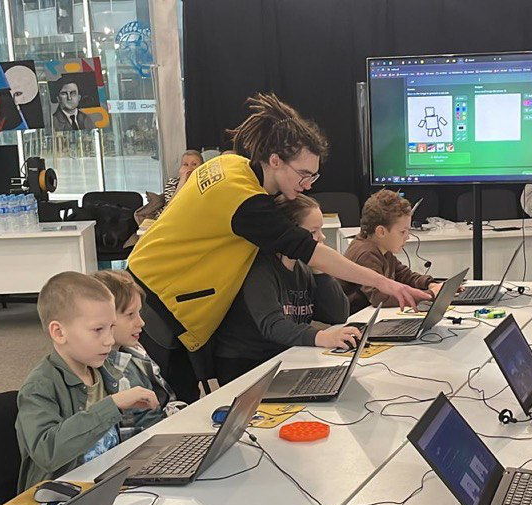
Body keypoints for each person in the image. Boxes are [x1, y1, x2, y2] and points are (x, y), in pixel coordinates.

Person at [125, 93, 430, 402]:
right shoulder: (245, 202)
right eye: (304, 174)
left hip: (152, 277)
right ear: (274, 161)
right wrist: (384, 283)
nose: (309, 184)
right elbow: (312, 252)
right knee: (170, 402)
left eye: (314, 175)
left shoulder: (230, 164)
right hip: (158, 298)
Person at [16, 272, 161, 490]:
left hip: (106, 482)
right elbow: (47, 452)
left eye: (111, 327)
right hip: (62, 496)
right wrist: (112, 405)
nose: (109, 340)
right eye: (98, 330)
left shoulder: (105, 370)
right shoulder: (39, 387)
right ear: (59, 332)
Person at [212, 195, 358, 384]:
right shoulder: (259, 269)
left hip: (284, 356)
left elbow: (338, 314)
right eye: (314, 231)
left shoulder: (302, 268)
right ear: (290, 234)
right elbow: (273, 326)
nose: (321, 237)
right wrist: (322, 337)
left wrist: (319, 269)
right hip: (248, 366)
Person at [91, 270, 186, 441]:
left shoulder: (134, 351)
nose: (141, 322)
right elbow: (123, 437)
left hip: (163, 430)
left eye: (139, 313)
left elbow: (163, 401)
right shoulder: (95, 373)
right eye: (130, 315)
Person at [340, 190, 442, 312]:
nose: (407, 237)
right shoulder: (366, 253)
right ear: (381, 232)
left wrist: (430, 284)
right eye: (402, 232)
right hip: (355, 320)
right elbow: (380, 298)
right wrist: (429, 295)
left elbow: (403, 275)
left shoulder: (381, 248)